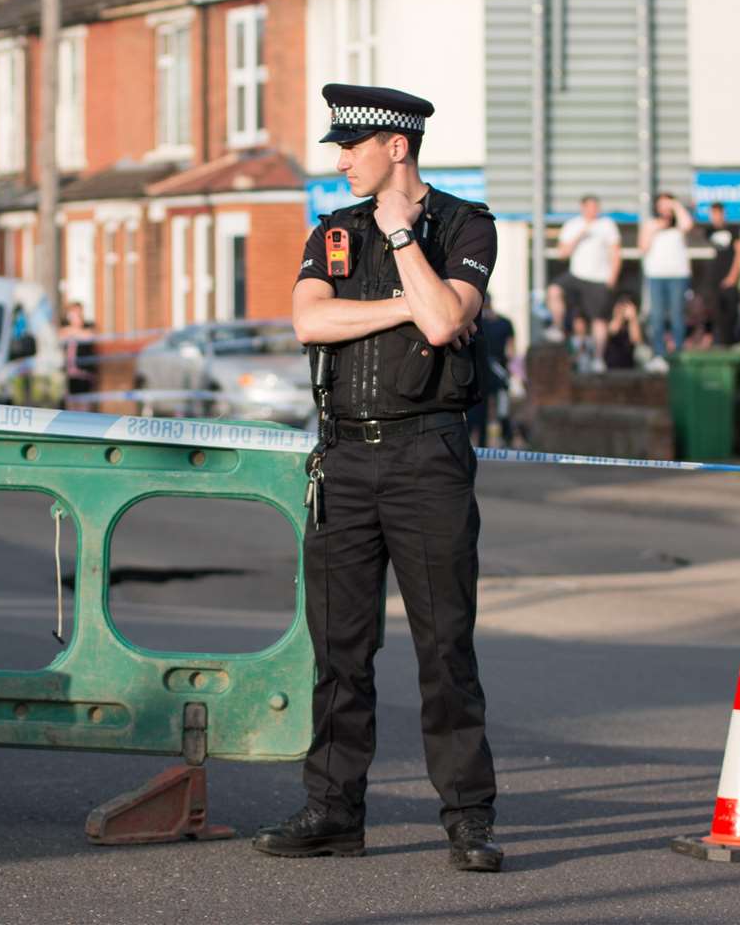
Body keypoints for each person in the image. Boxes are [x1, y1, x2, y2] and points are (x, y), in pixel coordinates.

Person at [257, 83, 503, 873]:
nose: (339, 161)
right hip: (346, 459)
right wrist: (404, 299)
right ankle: (333, 812)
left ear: (396, 147)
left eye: (350, 147)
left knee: (444, 648)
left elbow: (445, 320)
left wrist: (403, 245)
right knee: (339, 651)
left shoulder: (466, 224)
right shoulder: (332, 233)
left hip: (427, 456)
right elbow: (309, 320)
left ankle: (468, 819)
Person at [545, 194, 621, 371]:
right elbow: (562, 253)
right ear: (583, 207)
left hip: (598, 278)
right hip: (576, 275)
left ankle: (598, 359)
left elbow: (615, 252)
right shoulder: (573, 225)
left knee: (599, 319)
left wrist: (612, 278)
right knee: (554, 290)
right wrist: (581, 234)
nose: (593, 210)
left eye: (596, 207)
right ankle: (557, 326)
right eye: (590, 207)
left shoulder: (607, 225)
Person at [638, 191, 693, 361]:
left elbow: (688, 224)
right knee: (657, 316)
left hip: (678, 275)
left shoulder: (679, 226)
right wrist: (655, 229)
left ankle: (678, 351)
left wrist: (676, 205)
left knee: (677, 315)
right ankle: (659, 353)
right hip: (656, 276)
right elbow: (643, 247)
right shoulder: (650, 224)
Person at [467, 295, 515, 447]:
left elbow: (510, 349)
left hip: (490, 370)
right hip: (493, 371)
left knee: (497, 407)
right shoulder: (503, 323)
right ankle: (496, 439)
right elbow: (511, 350)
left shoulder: (479, 323)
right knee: (492, 407)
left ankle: (497, 439)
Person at [702, 202, 740, 347]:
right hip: (714, 279)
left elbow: (739, 252)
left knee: (730, 313)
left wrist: (733, 275)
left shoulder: (733, 230)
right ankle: (717, 342)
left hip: (728, 278)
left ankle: (729, 343)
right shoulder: (708, 232)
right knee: (715, 312)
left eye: (718, 213)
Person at [604, 292, 643, 370]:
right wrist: (619, 315)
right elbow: (611, 332)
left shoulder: (634, 323)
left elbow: (636, 341)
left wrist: (633, 319)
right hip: (611, 363)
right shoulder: (610, 320)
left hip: (629, 364)